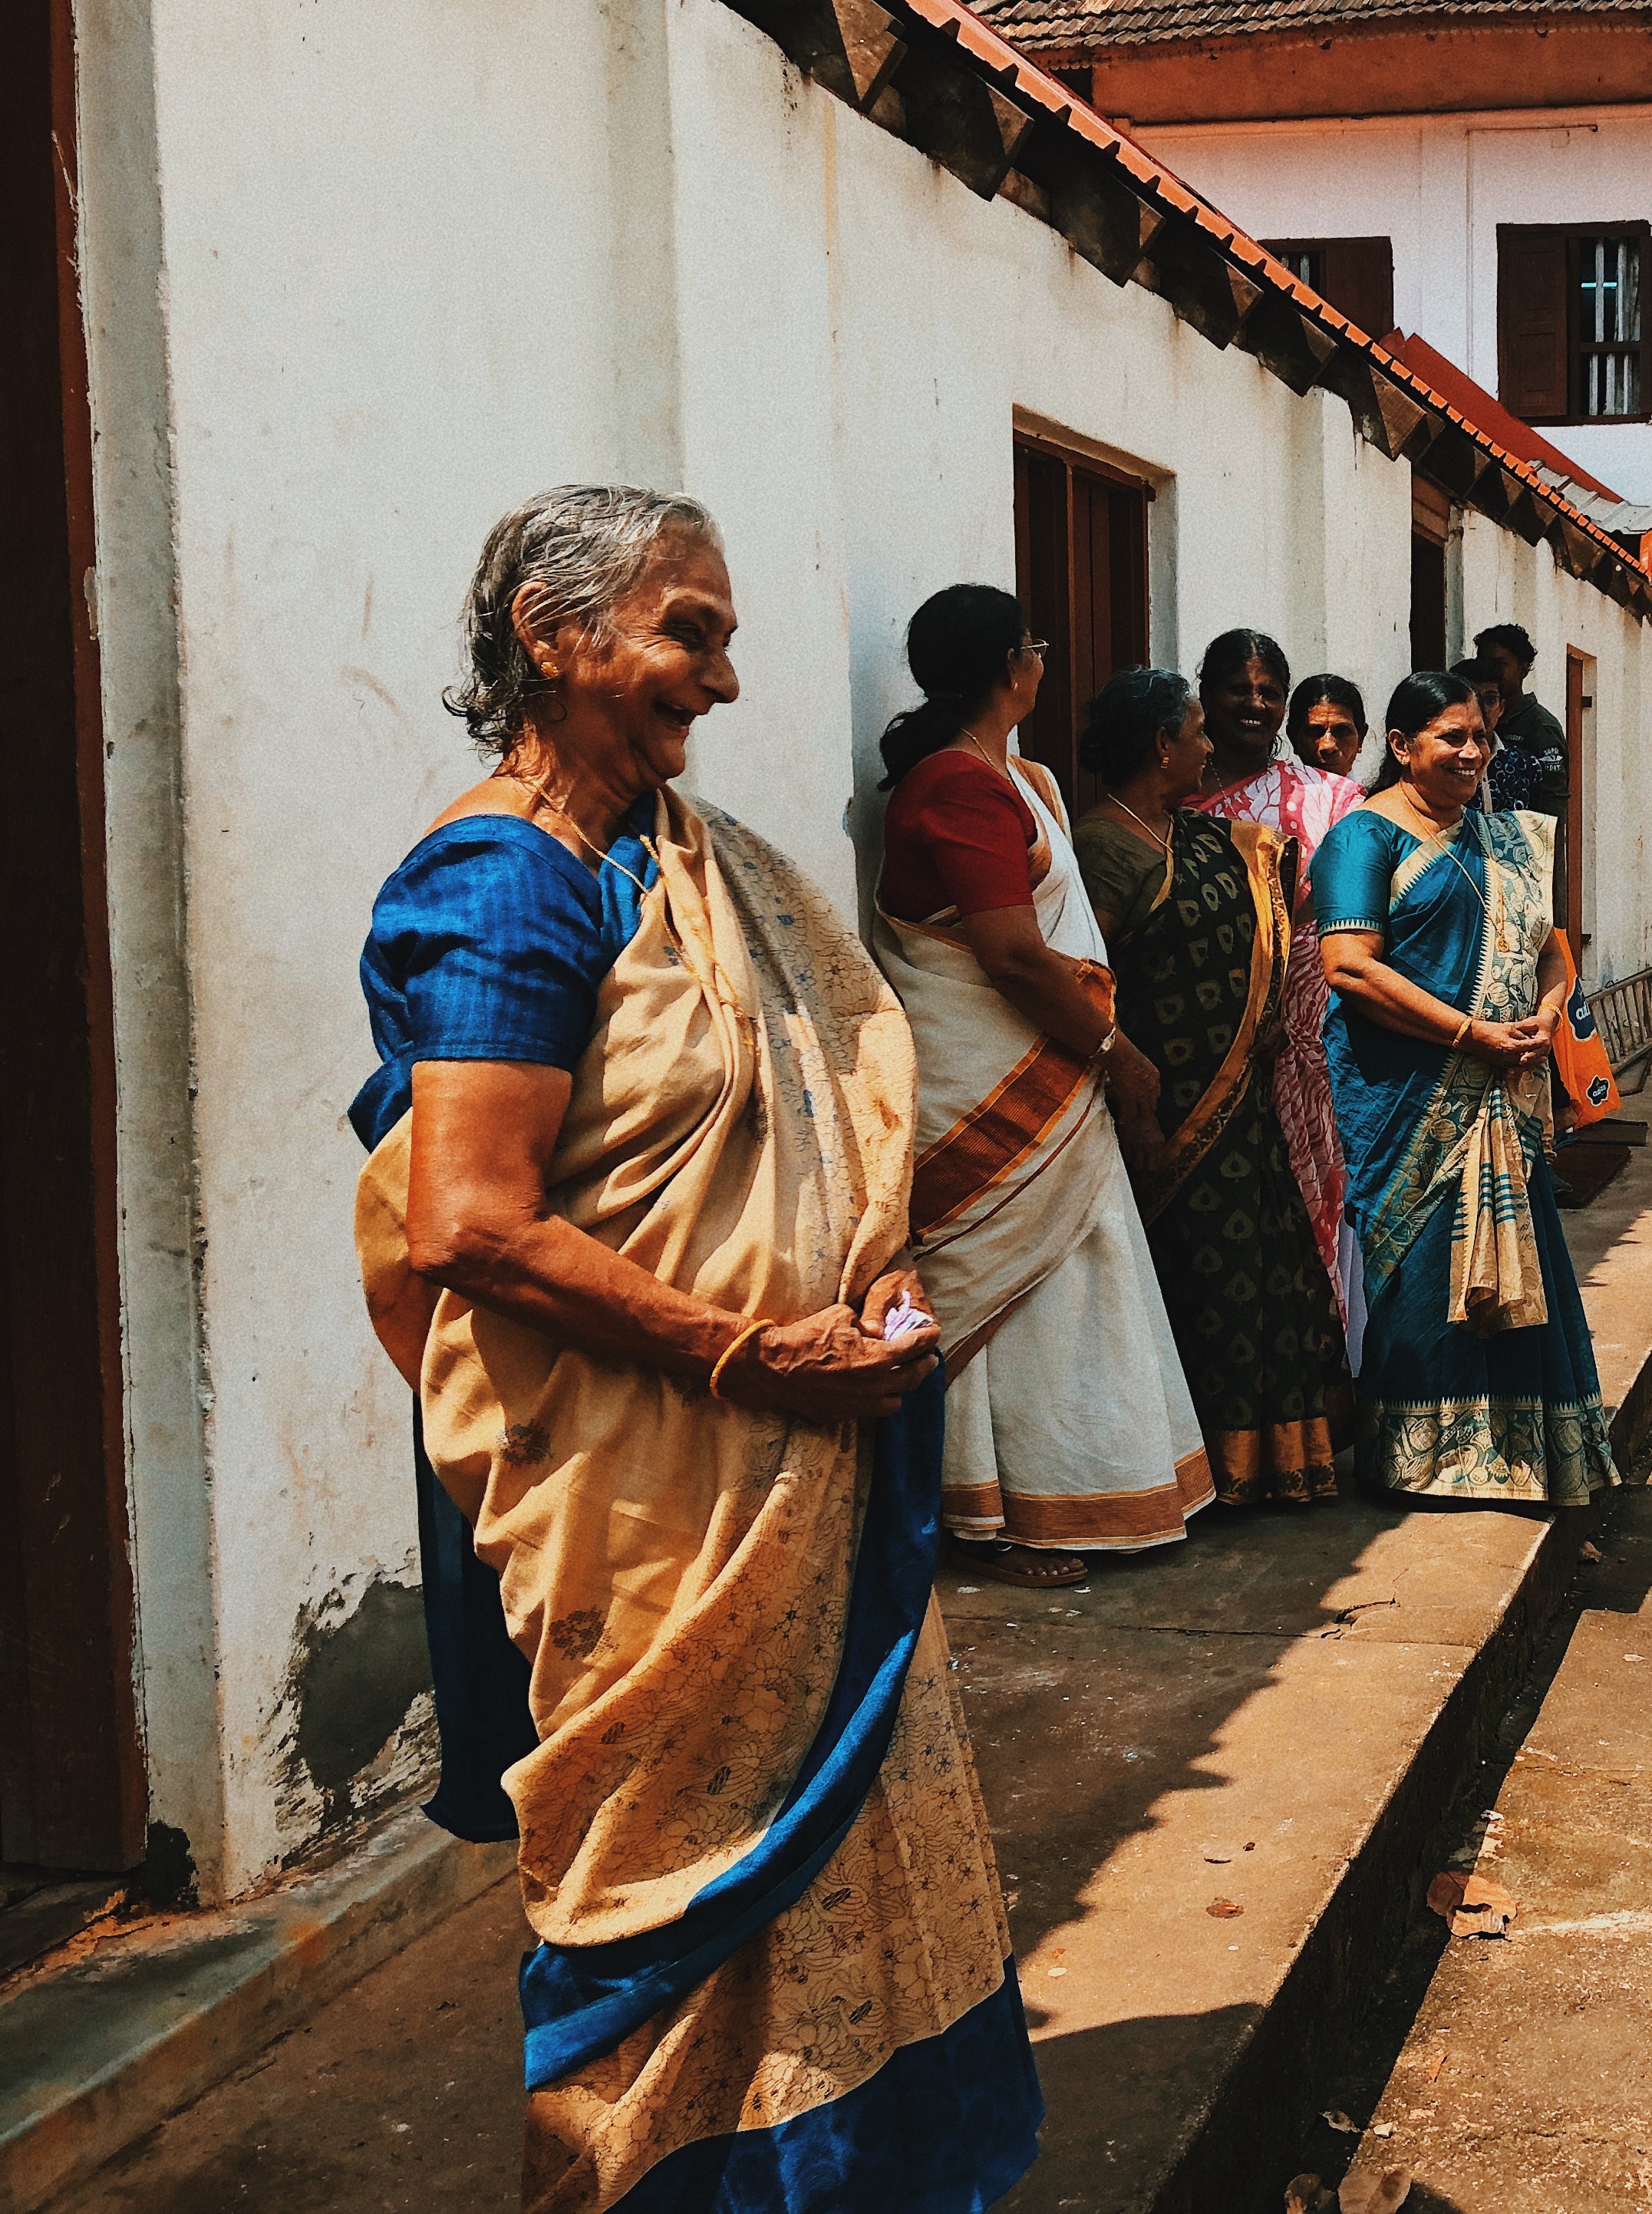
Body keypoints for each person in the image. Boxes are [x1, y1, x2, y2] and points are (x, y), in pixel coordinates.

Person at [351, 488, 1040, 2209]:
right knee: (670, 1871)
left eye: (724, 639)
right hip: (652, 1492)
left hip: (798, 1451)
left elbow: (825, 1128)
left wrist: (871, 1284)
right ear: (552, 633)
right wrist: (748, 1358)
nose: (721, 682)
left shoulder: (697, 865)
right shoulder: (507, 884)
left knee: (846, 1846)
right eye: (689, 633)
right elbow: (469, 1224)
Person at [872, 585, 1210, 1587]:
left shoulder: (1025, 779)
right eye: (1034, 646)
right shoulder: (956, 787)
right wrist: (1115, 1050)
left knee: (1075, 1283)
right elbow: (1014, 956)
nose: (1043, 662)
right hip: (992, 1081)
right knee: (1005, 1294)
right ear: (1009, 669)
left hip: (1051, 1073)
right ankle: (996, 1519)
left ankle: (1083, 1491)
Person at [1315, 673, 1614, 1504]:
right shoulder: (1363, 839)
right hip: (1410, 1096)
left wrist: (1547, 1015)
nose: (1473, 752)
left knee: (1524, 1265)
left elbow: (1549, 947)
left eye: (1482, 736)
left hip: (1507, 1087)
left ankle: (1516, 1455)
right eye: (1452, 737)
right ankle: (1418, 1463)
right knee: (1420, 1270)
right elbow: (1349, 967)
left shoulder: (1504, 837)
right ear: (1402, 745)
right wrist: (1468, 1034)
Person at [1073, 671, 1357, 1507]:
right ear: (1163, 746)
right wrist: (1130, 1083)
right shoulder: (1103, 847)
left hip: (1245, 1105)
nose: (1208, 746)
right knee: (1198, 1284)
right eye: (1196, 732)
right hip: (1164, 1110)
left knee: (1262, 1276)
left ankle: (1275, 1461)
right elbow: (1087, 981)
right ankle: (1204, 1466)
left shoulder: (1210, 837)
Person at [1183, 630, 1370, 1360]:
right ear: (1207, 695)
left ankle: (1325, 1373)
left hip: (1315, 1048)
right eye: (1239, 689)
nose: (1255, 704)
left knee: (1317, 1202)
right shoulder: (1175, 800)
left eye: (1269, 692)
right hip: (1204, 1039)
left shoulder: (1332, 800)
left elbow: (1358, 925)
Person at [1469, 622, 1569, 820]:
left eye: (1498, 664)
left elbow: (1552, 804)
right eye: (1483, 662)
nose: (1489, 671)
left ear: (1523, 670)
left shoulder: (1541, 727)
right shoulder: (1467, 720)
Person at [1288, 670, 1370, 782]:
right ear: (1294, 739)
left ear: (1361, 738)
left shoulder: (1372, 794)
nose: (1328, 746)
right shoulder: (1272, 792)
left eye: (1342, 732)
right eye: (1315, 732)